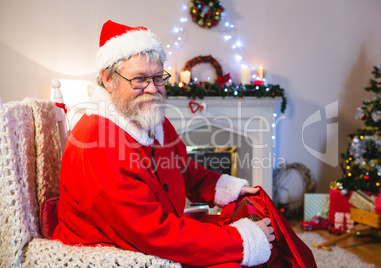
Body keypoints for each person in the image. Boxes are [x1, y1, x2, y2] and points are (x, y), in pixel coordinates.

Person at [52, 20, 275, 268]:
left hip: (154, 238)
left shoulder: (151, 119)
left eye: (158, 78)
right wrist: (241, 240)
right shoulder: (97, 141)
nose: (153, 89)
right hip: (112, 255)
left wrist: (222, 186)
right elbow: (150, 232)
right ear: (108, 78)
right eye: (139, 79)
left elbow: (181, 167)